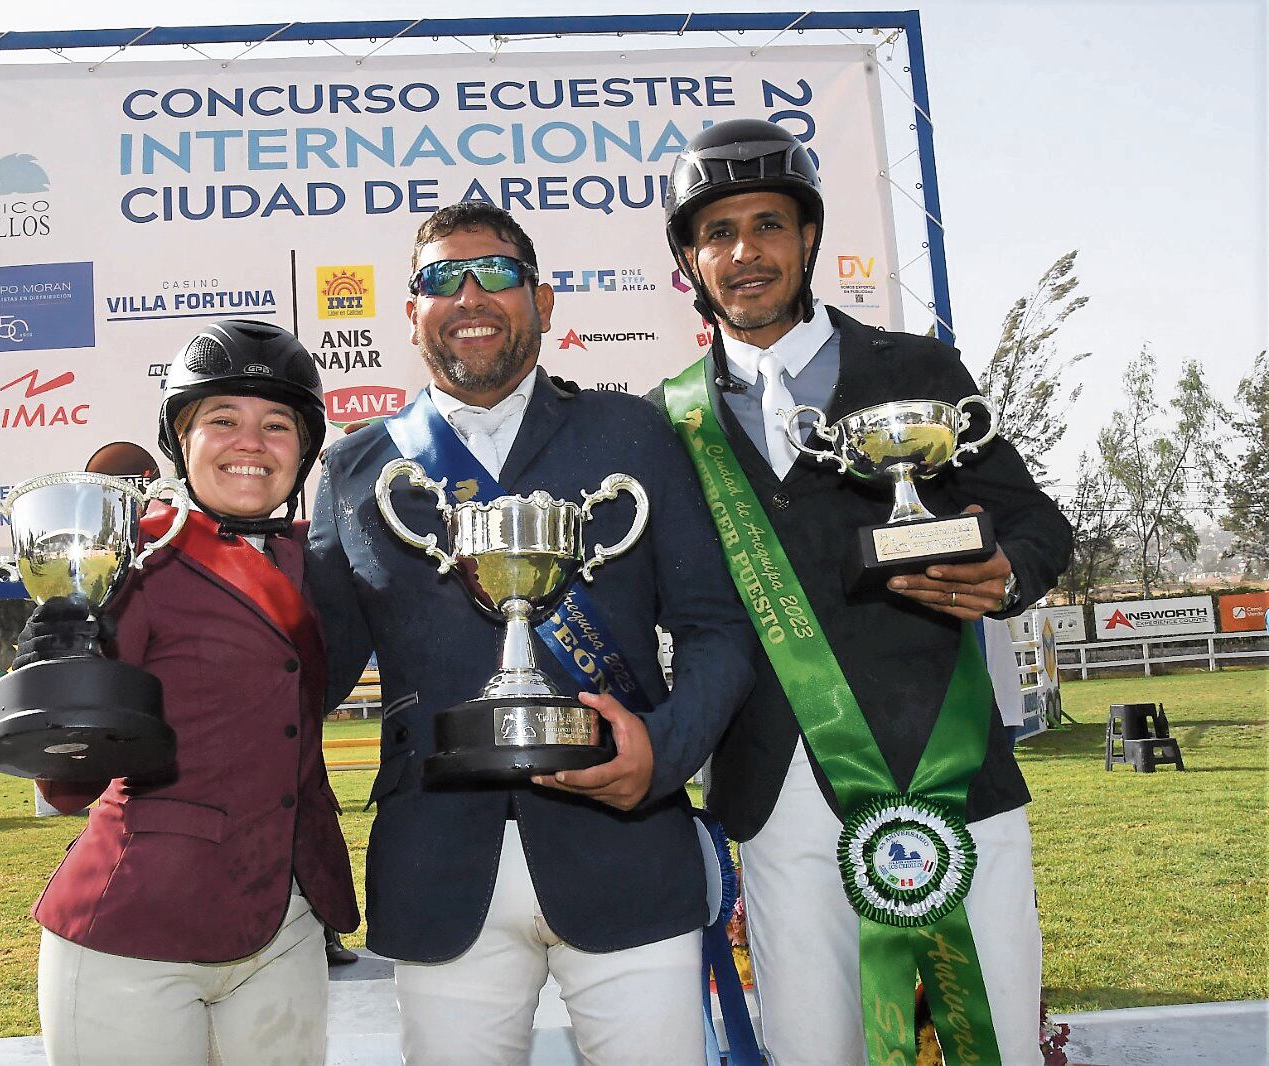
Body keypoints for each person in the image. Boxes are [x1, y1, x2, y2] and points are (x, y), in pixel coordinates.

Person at [653, 119, 1073, 1065]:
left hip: (949, 775)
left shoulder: (917, 369)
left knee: (992, 1040)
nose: (745, 252)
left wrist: (1006, 573)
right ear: (689, 262)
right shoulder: (666, 418)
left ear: (809, 238)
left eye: (768, 224)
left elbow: (1035, 521)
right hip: (772, 788)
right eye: (717, 233)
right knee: (815, 1048)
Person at [306, 201, 756, 1064]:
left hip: (626, 845)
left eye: (498, 274)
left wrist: (662, 754)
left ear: (543, 301)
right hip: (439, 868)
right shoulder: (354, 468)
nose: (470, 295)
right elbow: (308, 673)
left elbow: (717, 628)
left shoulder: (633, 433)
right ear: (411, 312)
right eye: (442, 278)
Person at [17, 319, 360, 1066]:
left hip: (286, 921)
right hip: (137, 931)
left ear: (305, 450)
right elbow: (67, 788)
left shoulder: (325, 563)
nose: (251, 443)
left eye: (278, 425)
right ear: (182, 439)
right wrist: (61, 681)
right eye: (223, 420)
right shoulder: (128, 557)